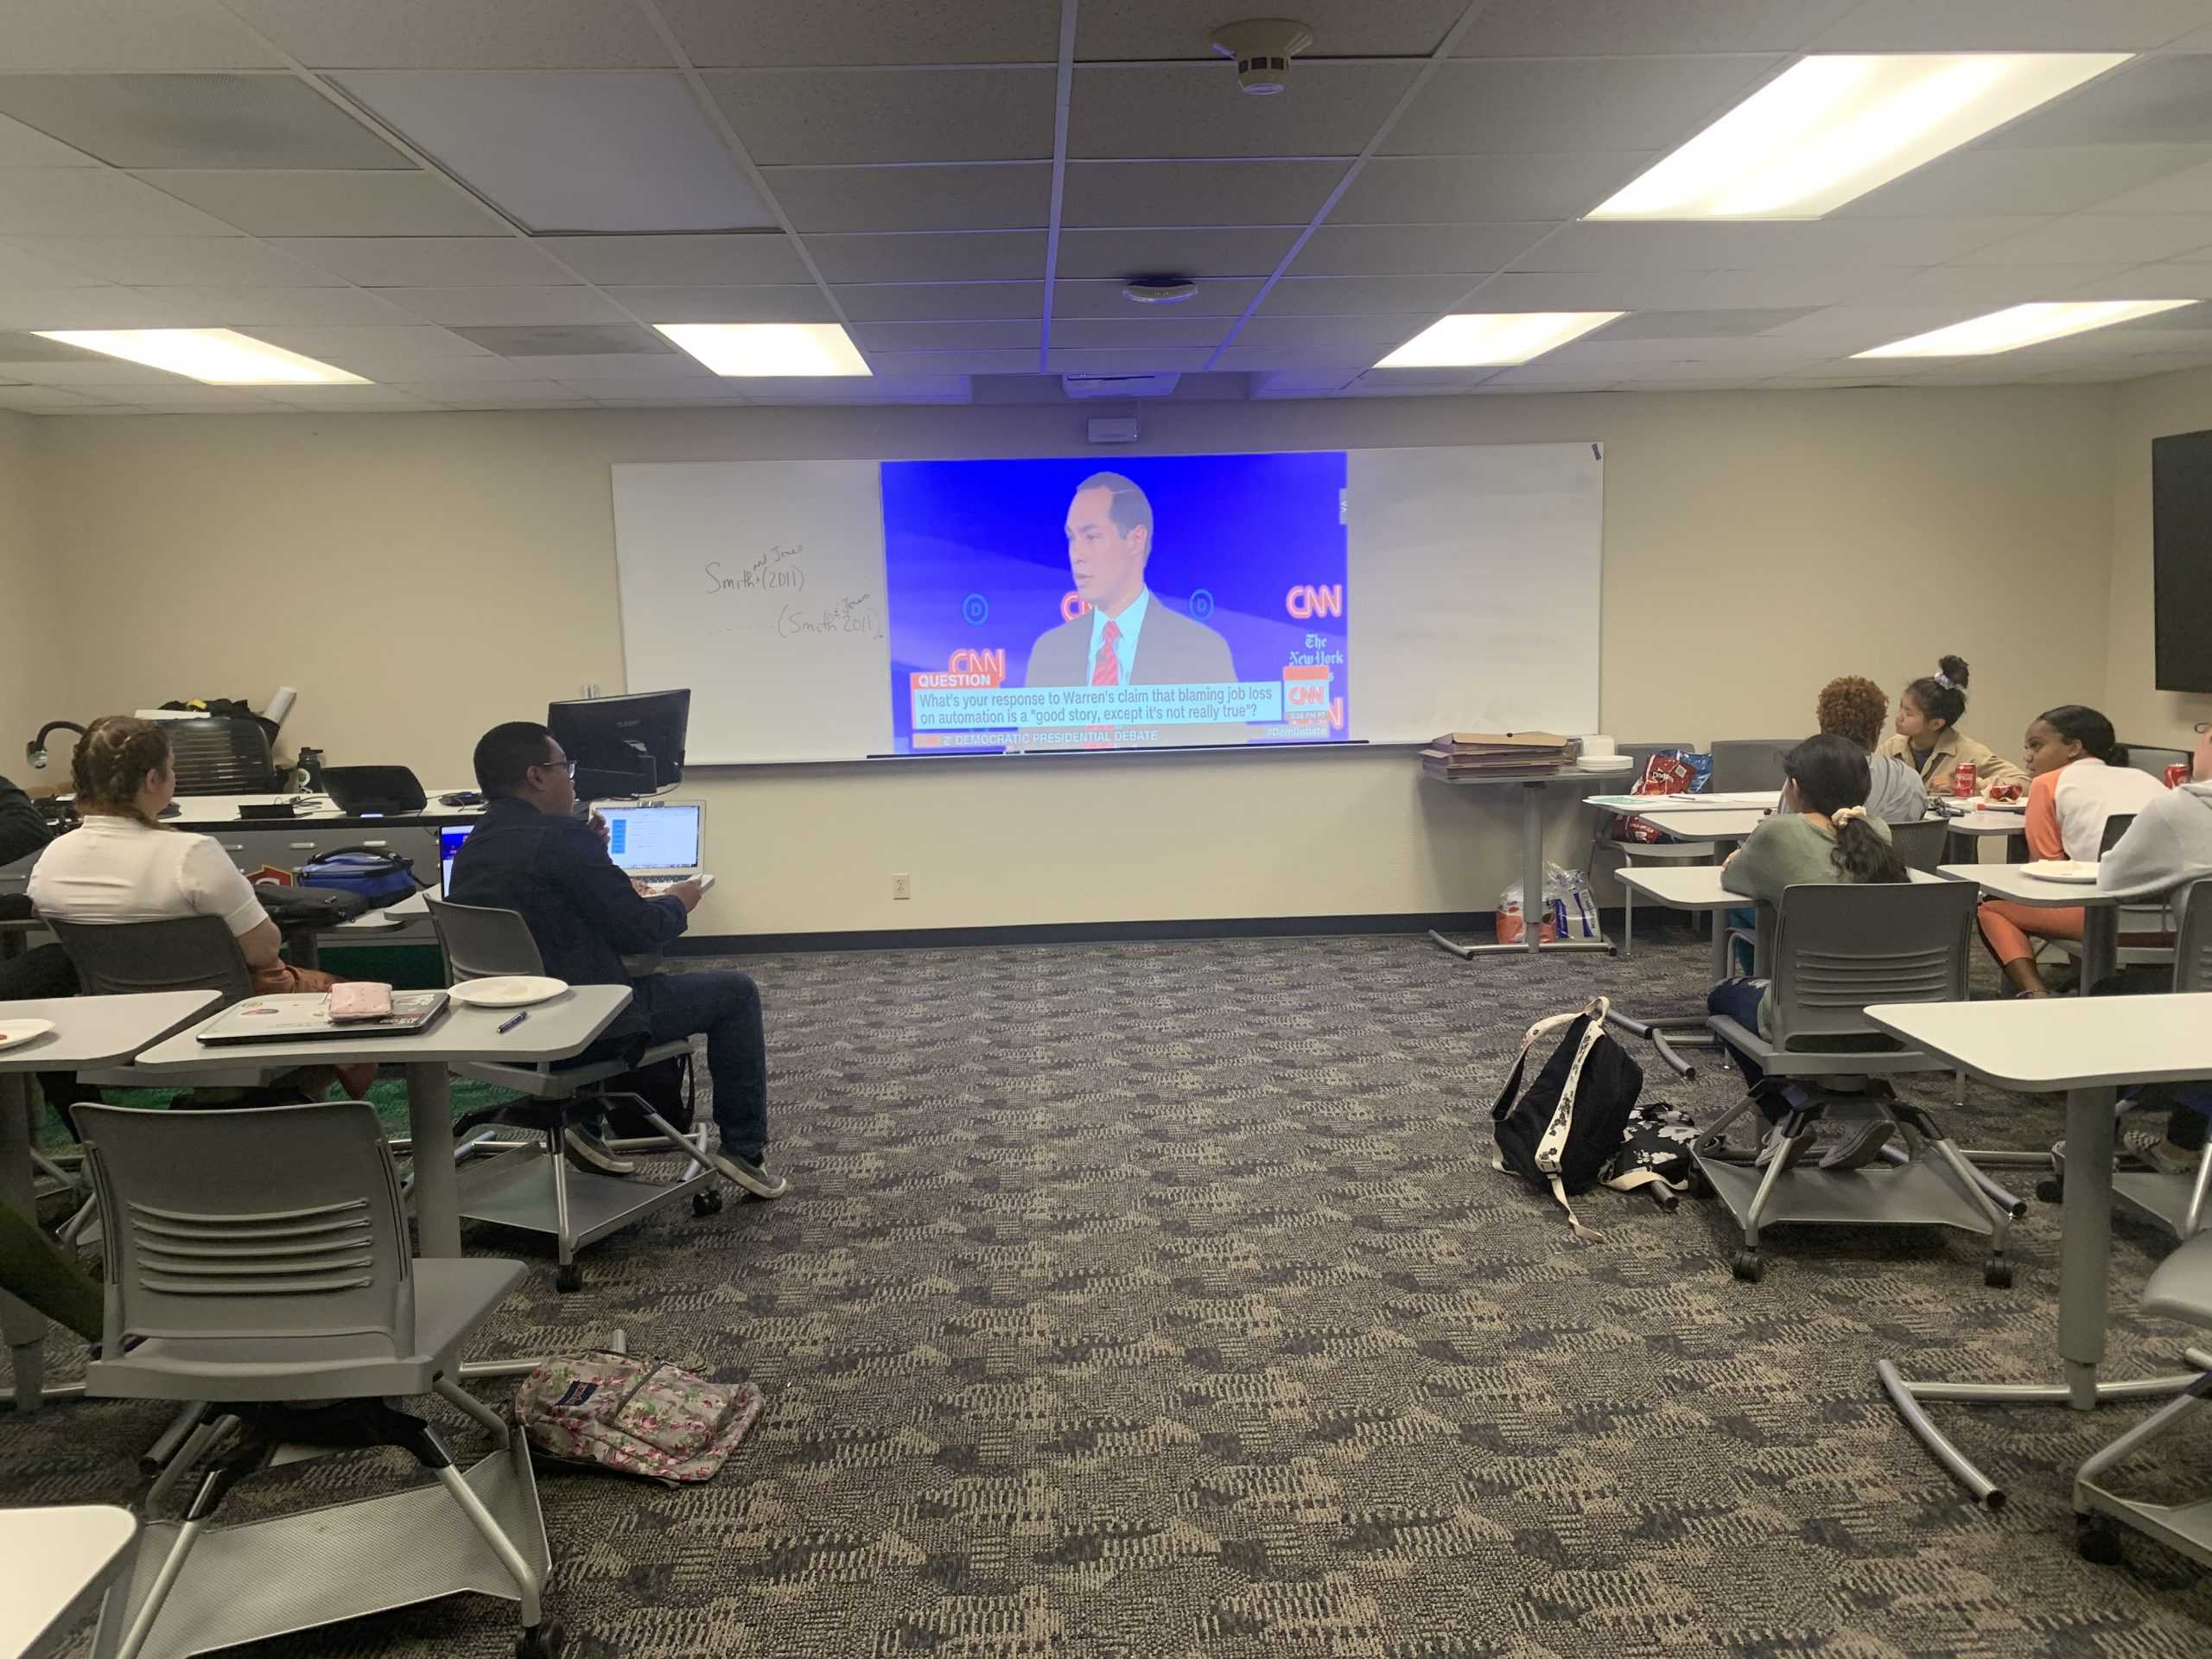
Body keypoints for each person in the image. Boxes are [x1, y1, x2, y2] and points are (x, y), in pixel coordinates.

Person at [444, 721, 785, 1198]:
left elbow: (551, 910)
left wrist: (593, 854)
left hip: (499, 1025)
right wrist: (680, 899)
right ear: (537, 776)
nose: (573, 778)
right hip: (576, 1024)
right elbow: (641, 931)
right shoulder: (563, 841)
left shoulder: (478, 840)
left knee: (584, 970)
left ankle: (582, 1123)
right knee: (736, 992)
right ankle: (744, 1151)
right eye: (565, 767)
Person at [27, 716, 375, 1099]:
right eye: (171, 768)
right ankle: (284, 1113)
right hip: (229, 1019)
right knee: (354, 1001)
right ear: (151, 781)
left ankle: (242, 1113)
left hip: (121, 1025)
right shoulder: (191, 853)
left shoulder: (52, 859)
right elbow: (264, 950)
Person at [1706, 734, 1910, 1167]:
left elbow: (1736, 880)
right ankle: (1862, 1112)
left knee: (1722, 996)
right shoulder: (1879, 833)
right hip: (1893, 1017)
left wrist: (1737, 859)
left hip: (1805, 1015)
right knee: (1841, 996)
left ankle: (1786, 1116)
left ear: (1795, 787)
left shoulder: (1778, 832)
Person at [1976, 704, 2167, 997]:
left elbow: (2048, 870)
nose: (2027, 757)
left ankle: (2037, 993)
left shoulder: (2047, 784)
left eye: (2036, 746)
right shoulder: (2147, 779)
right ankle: (2084, 979)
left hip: (2108, 919)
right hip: (2179, 919)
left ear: (2074, 748)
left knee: (1990, 907)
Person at [2100, 748, 2212, 1172]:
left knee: (2108, 995)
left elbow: (2114, 879)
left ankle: (2090, 1152)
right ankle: (2181, 1142)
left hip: (2203, 1006)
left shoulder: (2182, 807)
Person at [1022, 473, 1236, 690]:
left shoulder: (1203, 651)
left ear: (1136, 540)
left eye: (1092, 537)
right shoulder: (1049, 653)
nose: (1076, 554)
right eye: (1072, 538)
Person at [1878, 656, 2027, 796]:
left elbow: (2025, 783)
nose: (1899, 716)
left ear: (1936, 723)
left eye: (1909, 713)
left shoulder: (1968, 752)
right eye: (1901, 707)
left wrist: (1970, 786)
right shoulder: (1892, 748)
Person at [1815, 675, 1929, 824]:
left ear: (1824, 728)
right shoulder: (1909, 782)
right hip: (1890, 848)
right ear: (1877, 730)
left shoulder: (1801, 779)